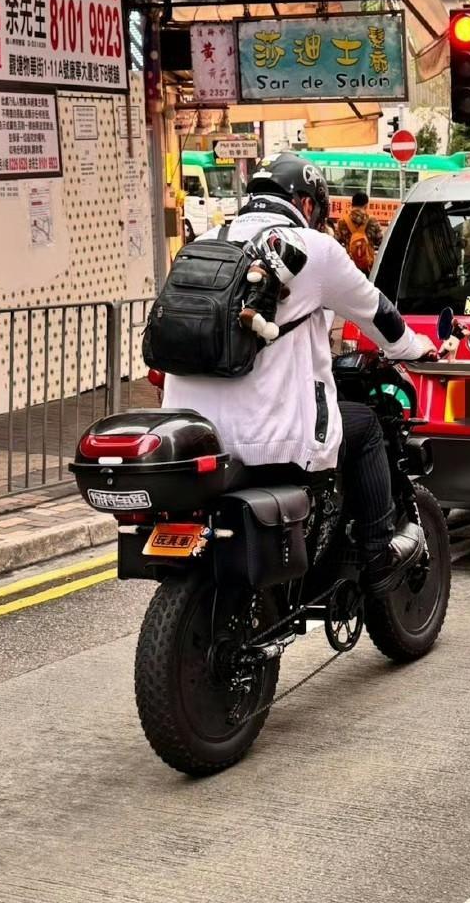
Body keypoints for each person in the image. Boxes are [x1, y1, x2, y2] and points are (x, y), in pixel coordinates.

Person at [161, 153, 437, 594]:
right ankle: (378, 554)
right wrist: (420, 349)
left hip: (193, 434)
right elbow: (379, 314)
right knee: (365, 428)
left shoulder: (204, 242)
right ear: (307, 205)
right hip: (273, 436)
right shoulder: (315, 249)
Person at [336, 191, 382, 276]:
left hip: (349, 267)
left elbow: (335, 243)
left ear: (352, 204)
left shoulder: (342, 222)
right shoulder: (372, 221)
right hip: (368, 268)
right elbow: (381, 242)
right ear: (366, 205)